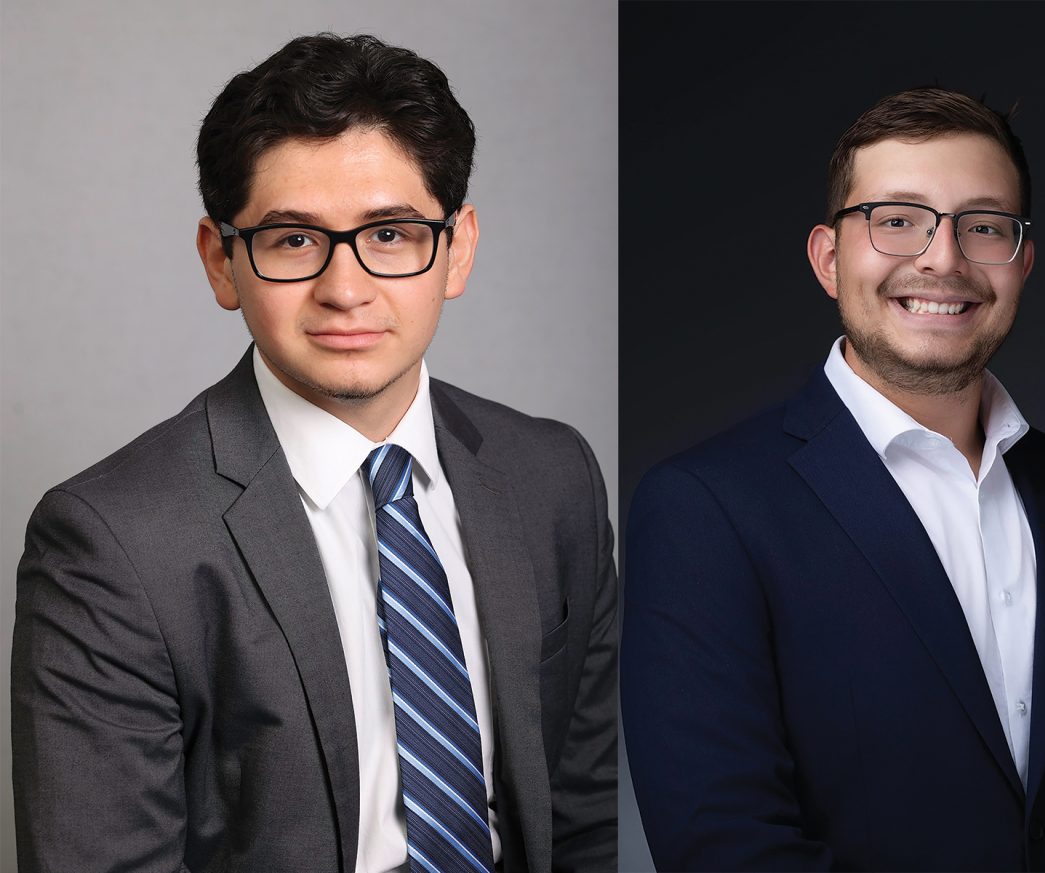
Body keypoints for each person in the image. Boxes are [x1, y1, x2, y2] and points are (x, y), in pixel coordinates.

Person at [12, 33, 616, 873]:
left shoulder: (554, 478)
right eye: (293, 240)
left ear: (458, 249)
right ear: (222, 262)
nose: (346, 287)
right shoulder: (110, 542)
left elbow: (585, 813)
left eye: (393, 233)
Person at [621, 87, 1045, 871]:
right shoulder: (706, 509)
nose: (943, 258)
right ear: (830, 258)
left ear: (1023, 262)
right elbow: (725, 843)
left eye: (984, 226)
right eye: (898, 220)